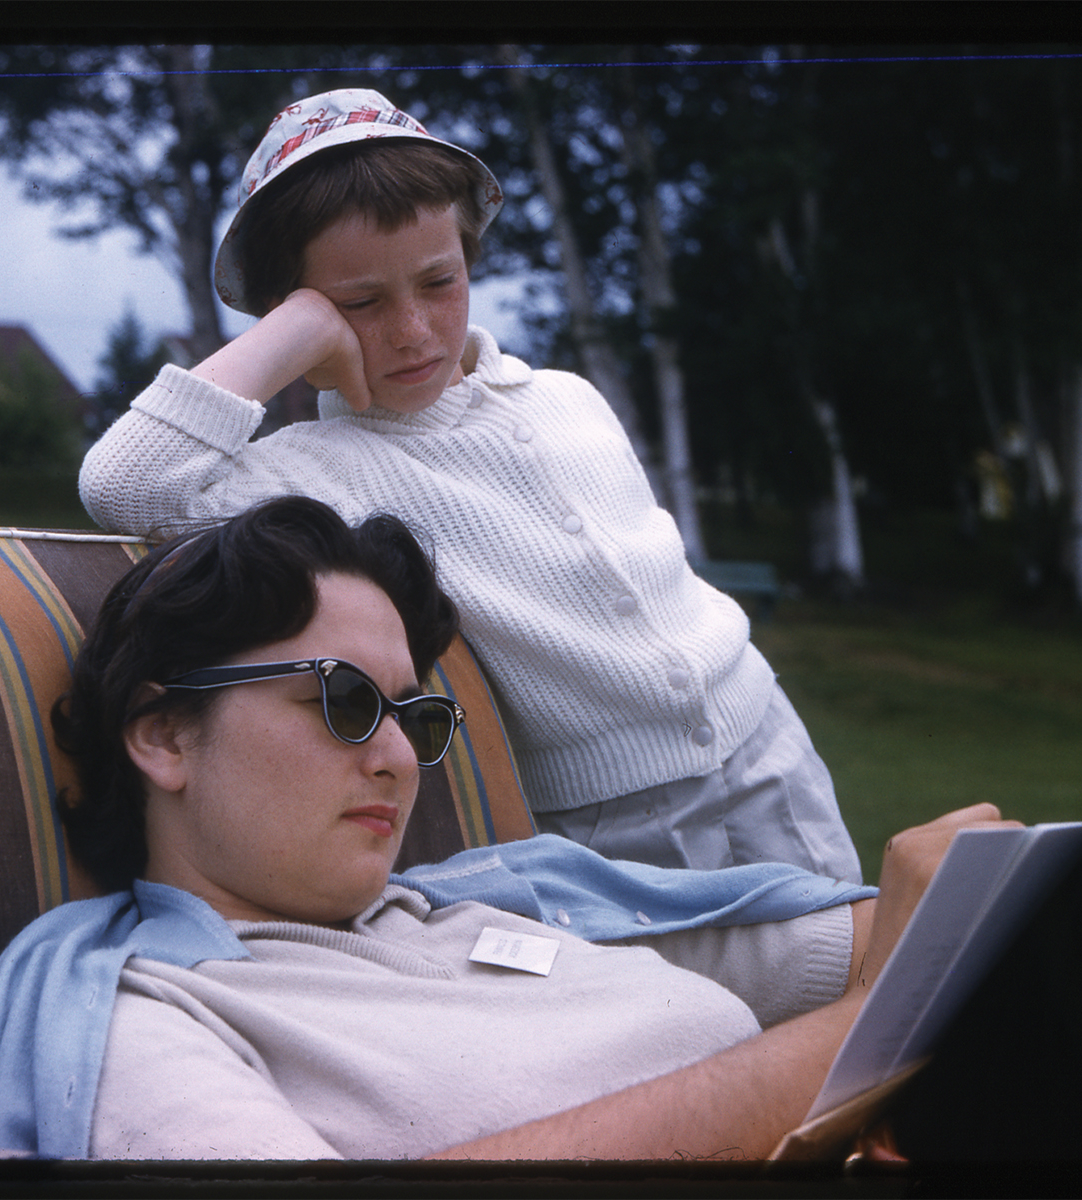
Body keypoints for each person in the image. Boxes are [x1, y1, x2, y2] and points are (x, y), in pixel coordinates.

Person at [0, 495, 1015, 1160]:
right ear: (162, 737)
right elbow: (875, 997)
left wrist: (974, 905)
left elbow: (889, 943)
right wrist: (864, 1031)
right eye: (342, 701)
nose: (397, 754)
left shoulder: (505, 907)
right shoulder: (143, 1016)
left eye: (413, 712)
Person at [79, 89, 860, 882]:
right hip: (612, 822)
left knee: (870, 961)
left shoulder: (566, 397)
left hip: (766, 737)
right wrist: (292, 333)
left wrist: (335, 308)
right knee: (714, 1008)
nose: (412, 330)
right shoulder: (318, 473)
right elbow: (126, 486)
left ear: (470, 259)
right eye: (359, 302)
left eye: (437, 282)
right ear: (294, 310)